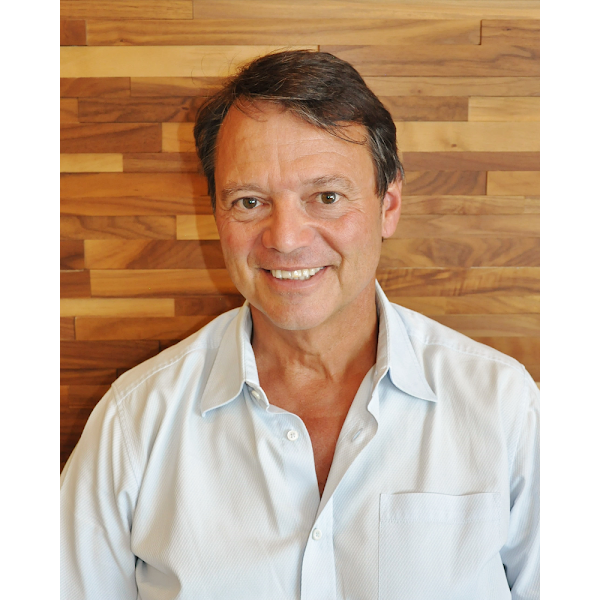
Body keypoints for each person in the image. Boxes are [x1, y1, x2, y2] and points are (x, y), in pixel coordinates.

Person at [60, 50, 539, 599]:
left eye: (327, 197)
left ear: (389, 205)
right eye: (249, 201)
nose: (285, 239)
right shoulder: (134, 424)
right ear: (216, 214)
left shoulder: (503, 406)